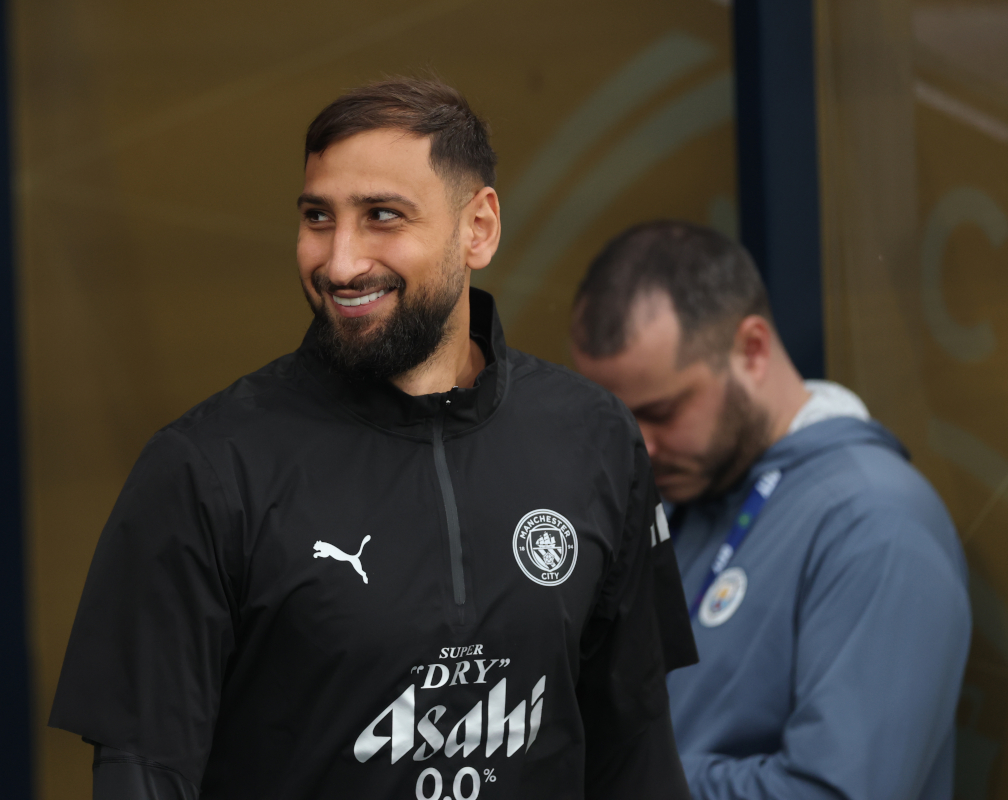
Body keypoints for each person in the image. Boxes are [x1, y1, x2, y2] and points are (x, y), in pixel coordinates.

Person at [50, 79, 699, 799]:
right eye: (318, 217)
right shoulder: (206, 469)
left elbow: (635, 750)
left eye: (382, 216)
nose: (340, 261)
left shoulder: (595, 440)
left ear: (477, 228)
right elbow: (142, 775)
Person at [569, 220, 972, 800]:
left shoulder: (878, 525)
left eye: (663, 410)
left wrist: (610, 776)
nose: (641, 446)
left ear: (751, 349)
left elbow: (838, 791)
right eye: (618, 418)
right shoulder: (690, 488)